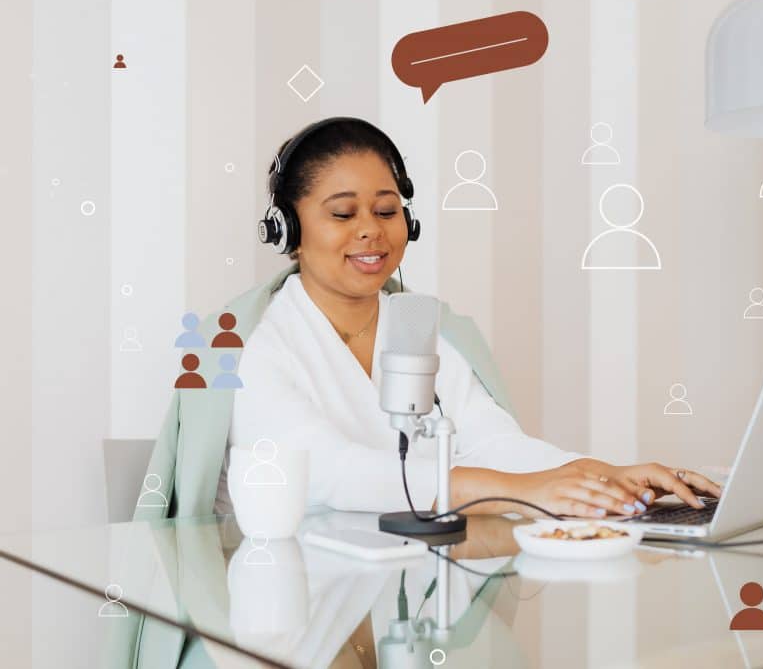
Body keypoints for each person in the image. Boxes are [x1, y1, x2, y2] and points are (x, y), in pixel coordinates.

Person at [213, 117, 720, 520]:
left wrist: (602, 474)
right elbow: (328, 472)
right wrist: (521, 492)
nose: (371, 231)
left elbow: (491, 441)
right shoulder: (253, 344)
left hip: (406, 589)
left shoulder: (416, 322)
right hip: (290, 599)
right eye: (343, 215)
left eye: (387, 212)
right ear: (286, 230)